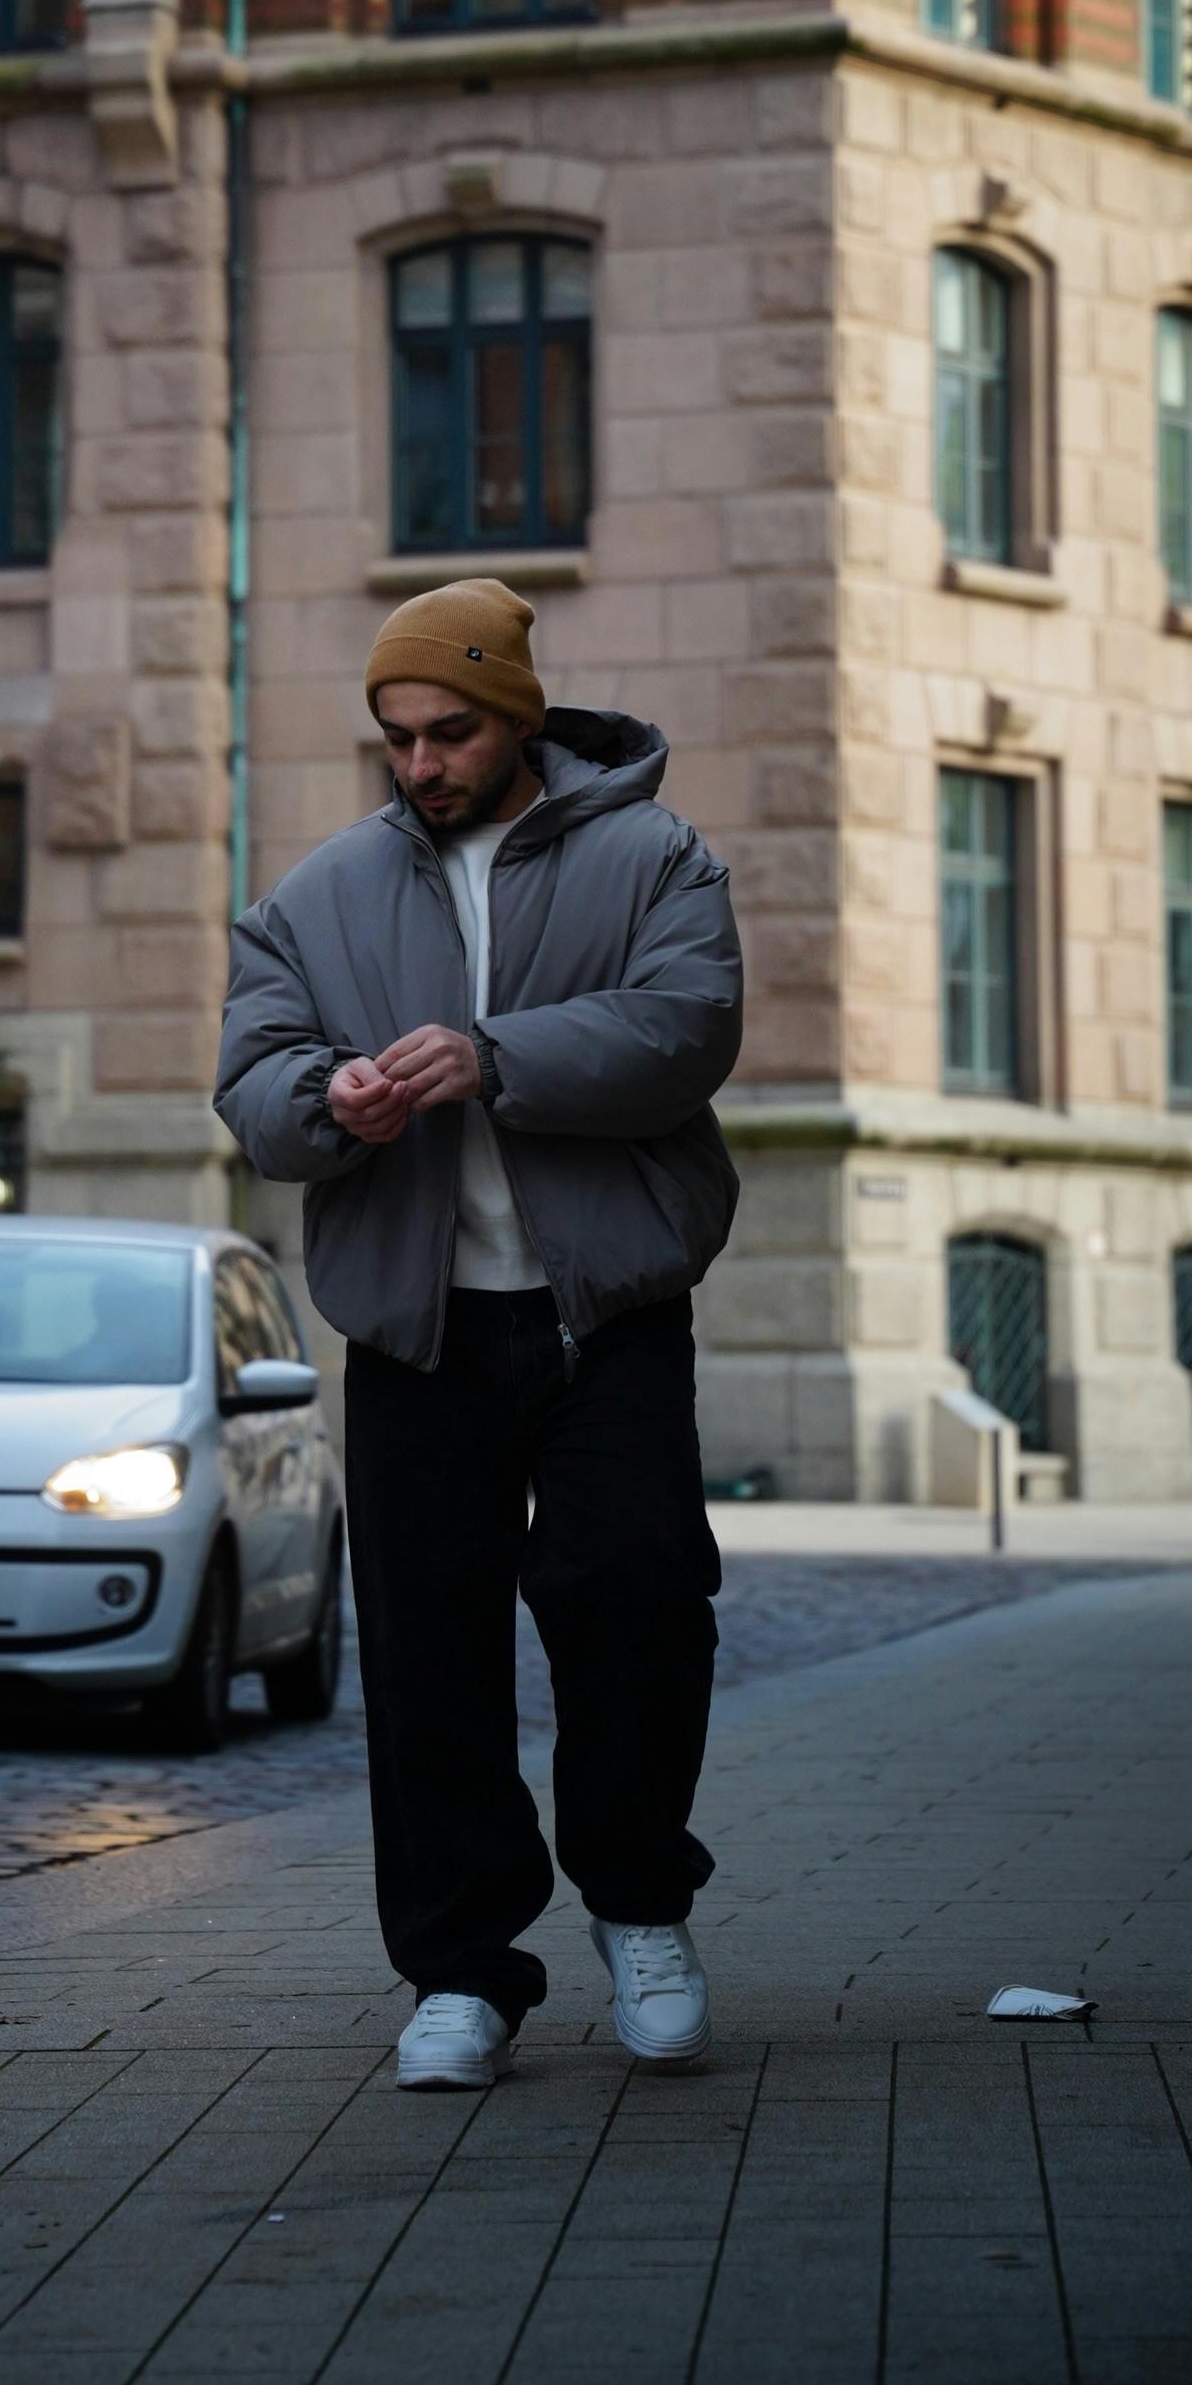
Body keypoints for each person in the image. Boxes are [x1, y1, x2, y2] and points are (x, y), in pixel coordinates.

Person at [214, 578, 743, 2092]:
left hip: (611, 1318)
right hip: (416, 1332)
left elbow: (687, 1029)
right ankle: (462, 1974)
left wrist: (491, 1056)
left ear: (514, 714)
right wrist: (330, 1102)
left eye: (451, 730)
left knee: (636, 1599)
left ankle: (641, 1910)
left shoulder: (654, 854)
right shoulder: (314, 897)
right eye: (398, 737)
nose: (423, 763)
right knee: (432, 1657)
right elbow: (253, 1082)